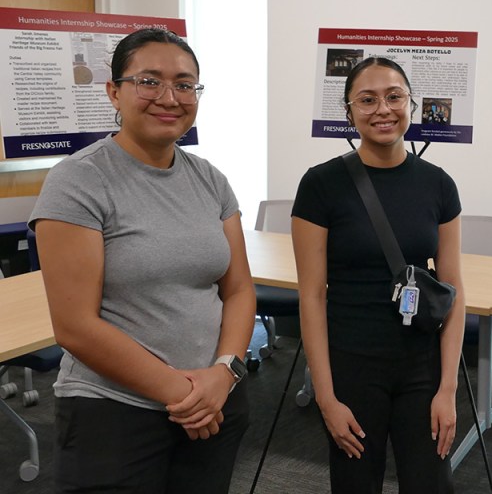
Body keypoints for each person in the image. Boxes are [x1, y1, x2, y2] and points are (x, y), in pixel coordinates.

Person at [30, 28, 255, 493]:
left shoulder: (211, 180)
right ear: (114, 91)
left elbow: (237, 290)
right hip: (114, 412)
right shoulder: (79, 181)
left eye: (184, 84)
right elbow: (75, 326)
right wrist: (185, 394)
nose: (169, 98)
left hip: (215, 400)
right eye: (149, 81)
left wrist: (224, 373)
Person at [291, 57, 465, 494]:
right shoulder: (320, 185)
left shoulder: (439, 184)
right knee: (356, 483)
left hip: (420, 364)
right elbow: (312, 295)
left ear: (412, 104)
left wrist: (447, 389)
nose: (383, 109)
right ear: (349, 112)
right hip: (352, 364)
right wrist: (326, 398)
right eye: (367, 100)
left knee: (430, 484)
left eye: (394, 97)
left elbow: (453, 290)